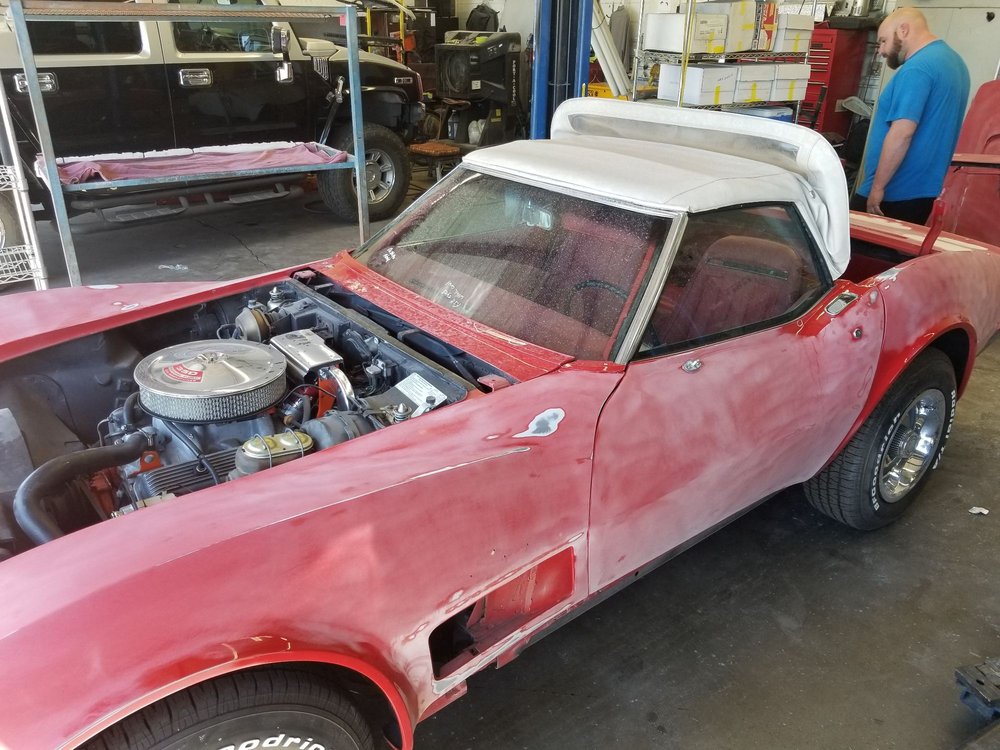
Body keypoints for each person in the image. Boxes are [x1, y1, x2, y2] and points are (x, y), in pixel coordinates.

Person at [851, 8, 970, 224]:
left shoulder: (918, 68)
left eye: (883, 41)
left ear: (903, 30)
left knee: (842, 242)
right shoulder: (955, 63)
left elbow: (902, 133)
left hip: (893, 192)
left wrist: (877, 188)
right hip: (924, 192)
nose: (881, 51)